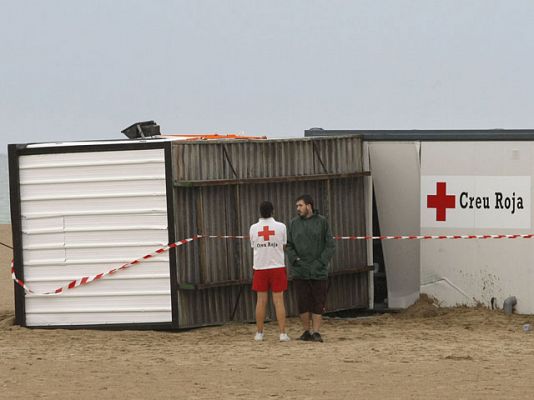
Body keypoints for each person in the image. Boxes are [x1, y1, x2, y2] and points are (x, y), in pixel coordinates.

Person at [286, 194, 335, 342]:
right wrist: (295, 260)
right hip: (300, 270)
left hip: (318, 271)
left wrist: (321, 262)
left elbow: (330, 244)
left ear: (309, 206)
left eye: (300, 205)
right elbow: (288, 245)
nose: (298, 209)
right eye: (296, 206)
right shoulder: (293, 223)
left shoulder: (322, 222)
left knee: (318, 302)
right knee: (303, 302)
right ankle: (306, 331)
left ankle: (316, 332)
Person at [249, 201, 290, 342]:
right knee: (279, 301)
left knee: (260, 301)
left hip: (260, 267)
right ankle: (282, 333)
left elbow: (253, 245)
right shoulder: (281, 227)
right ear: (273, 211)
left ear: (260, 212)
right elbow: (284, 245)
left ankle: (259, 333)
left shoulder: (253, 228)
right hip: (277, 266)